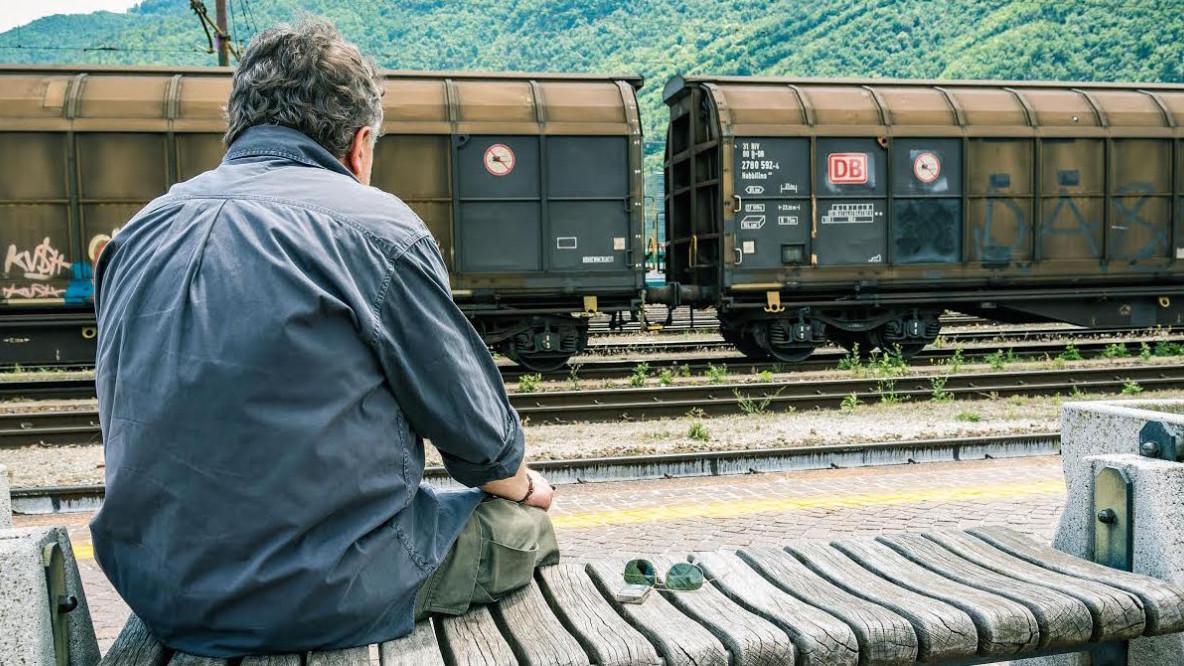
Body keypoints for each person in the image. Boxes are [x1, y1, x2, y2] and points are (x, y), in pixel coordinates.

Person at [90, 17, 558, 658]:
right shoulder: (377, 229)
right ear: (360, 145)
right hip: (323, 596)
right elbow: (479, 442)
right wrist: (527, 489)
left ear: (239, 129)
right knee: (522, 528)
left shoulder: (138, 234)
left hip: (158, 591)